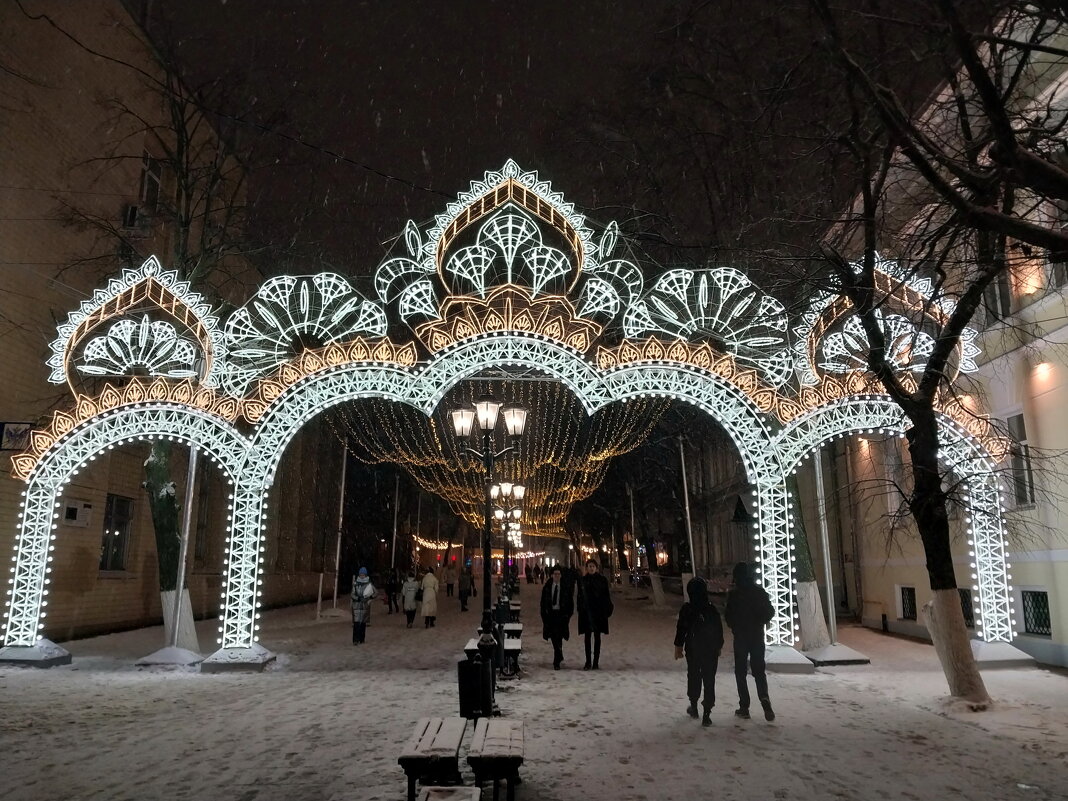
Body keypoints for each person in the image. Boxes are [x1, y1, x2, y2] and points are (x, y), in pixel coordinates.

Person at [724, 561, 776, 721]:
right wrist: (760, 621)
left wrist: (735, 626)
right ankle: (764, 698)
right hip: (757, 635)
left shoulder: (734, 595)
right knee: (759, 670)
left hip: (740, 637)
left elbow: (728, 615)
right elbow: (770, 612)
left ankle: (744, 706)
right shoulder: (759, 592)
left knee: (740, 672)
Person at [674, 576, 724, 726]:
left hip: (693, 649)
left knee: (694, 676)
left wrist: (678, 646)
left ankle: (694, 706)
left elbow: (681, 629)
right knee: (709, 680)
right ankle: (707, 712)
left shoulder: (687, 609)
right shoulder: (711, 609)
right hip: (710, 650)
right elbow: (719, 630)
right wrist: (718, 646)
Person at [577, 559, 613, 670]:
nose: (591, 568)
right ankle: (588, 662)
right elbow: (579, 596)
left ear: (596, 568)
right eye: (589, 566)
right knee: (587, 637)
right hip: (587, 612)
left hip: (598, 612)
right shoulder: (583, 580)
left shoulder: (602, 580)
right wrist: (580, 608)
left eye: (593, 566)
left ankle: (595, 662)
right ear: (587, 568)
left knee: (597, 637)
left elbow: (606, 596)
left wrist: (606, 609)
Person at [540, 566, 573, 670]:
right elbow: (543, 603)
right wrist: (544, 614)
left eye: (559, 574)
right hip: (551, 615)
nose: (557, 576)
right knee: (554, 637)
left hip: (561, 614)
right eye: (555, 574)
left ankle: (557, 660)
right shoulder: (547, 587)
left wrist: (567, 615)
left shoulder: (565, 587)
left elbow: (570, 603)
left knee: (559, 636)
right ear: (551, 575)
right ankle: (558, 655)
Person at [351, 567, 377, 645]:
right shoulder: (355, 584)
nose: (362, 576)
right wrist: (357, 598)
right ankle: (355, 640)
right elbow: (352, 594)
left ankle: (361, 639)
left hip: (365, 606)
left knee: (362, 624)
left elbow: (375, 592)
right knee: (356, 623)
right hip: (357, 605)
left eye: (363, 574)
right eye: (361, 574)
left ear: (365, 575)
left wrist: (371, 597)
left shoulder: (369, 584)